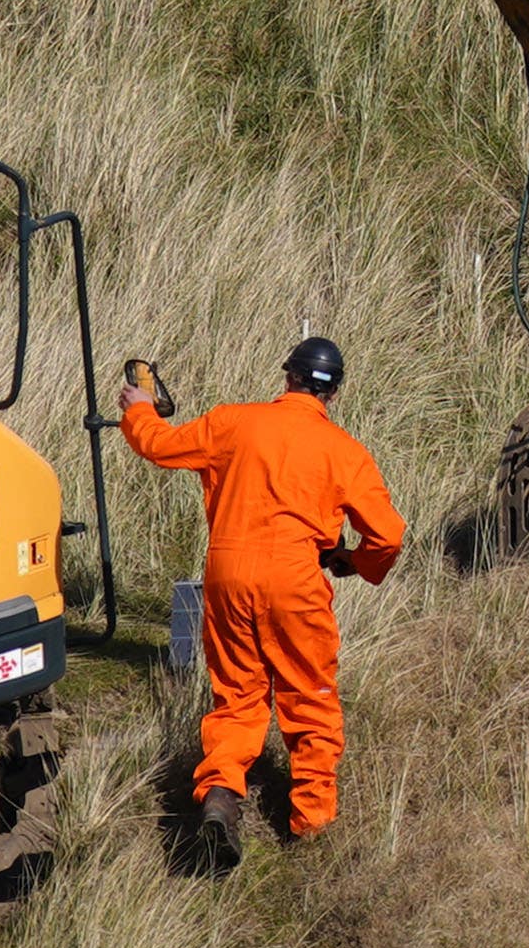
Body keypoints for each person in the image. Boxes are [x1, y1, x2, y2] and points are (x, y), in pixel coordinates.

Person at [119, 336, 406, 849]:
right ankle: (311, 823)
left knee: (236, 695)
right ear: (333, 393)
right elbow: (388, 535)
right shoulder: (346, 452)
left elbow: (158, 446)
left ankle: (221, 794)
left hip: (228, 572)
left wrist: (140, 410)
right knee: (308, 694)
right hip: (296, 580)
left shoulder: (233, 422)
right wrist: (355, 562)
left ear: (288, 376)